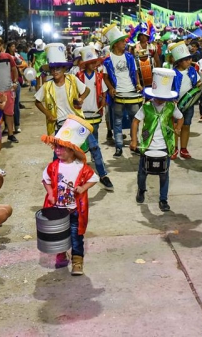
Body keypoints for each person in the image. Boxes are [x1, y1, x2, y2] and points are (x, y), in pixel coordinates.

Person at [35, 43, 114, 191]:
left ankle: (103, 175)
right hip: (60, 124)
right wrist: (48, 114)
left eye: (58, 68)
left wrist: (81, 99)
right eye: (52, 68)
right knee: (58, 154)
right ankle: (54, 179)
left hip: (77, 121)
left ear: (64, 69)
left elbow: (87, 90)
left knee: (94, 146)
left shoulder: (72, 79)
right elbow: (37, 102)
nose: (55, 71)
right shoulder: (47, 86)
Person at [41, 115, 99, 275]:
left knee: (76, 235)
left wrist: (83, 188)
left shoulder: (81, 167)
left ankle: (77, 261)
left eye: (61, 147)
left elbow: (94, 178)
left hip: (74, 210)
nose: (57, 150)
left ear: (72, 150)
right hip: (57, 210)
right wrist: (51, 192)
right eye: (56, 147)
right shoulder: (52, 166)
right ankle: (60, 255)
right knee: (59, 236)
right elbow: (45, 180)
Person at [130, 68, 183, 212]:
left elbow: (181, 117)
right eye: (158, 97)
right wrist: (134, 140)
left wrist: (178, 127)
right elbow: (135, 122)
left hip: (165, 145)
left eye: (163, 97)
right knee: (143, 172)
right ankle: (141, 189)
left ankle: (163, 199)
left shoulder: (171, 107)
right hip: (148, 145)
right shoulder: (146, 107)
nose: (161, 100)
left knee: (164, 174)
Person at [102, 24, 143, 157]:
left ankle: (134, 143)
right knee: (117, 120)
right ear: (115, 44)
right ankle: (118, 146)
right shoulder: (107, 60)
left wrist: (137, 84)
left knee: (135, 118)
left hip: (131, 92)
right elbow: (105, 77)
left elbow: (135, 72)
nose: (125, 43)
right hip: (118, 94)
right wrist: (111, 88)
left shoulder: (130, 57)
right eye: (122, 41)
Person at [169, 41, 200, 159]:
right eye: (186, 60)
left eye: (189, 59)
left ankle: (184, 148)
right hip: (175, 104)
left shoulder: (192, 70)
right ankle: (174, 148)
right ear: (178, 61)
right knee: (175, 127)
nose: (189, 62)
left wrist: (198, 88)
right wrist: (171, 99)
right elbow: (168, 88)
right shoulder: (172, 73)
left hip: (189, 104)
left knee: (186, 125)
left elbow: (197, 84)